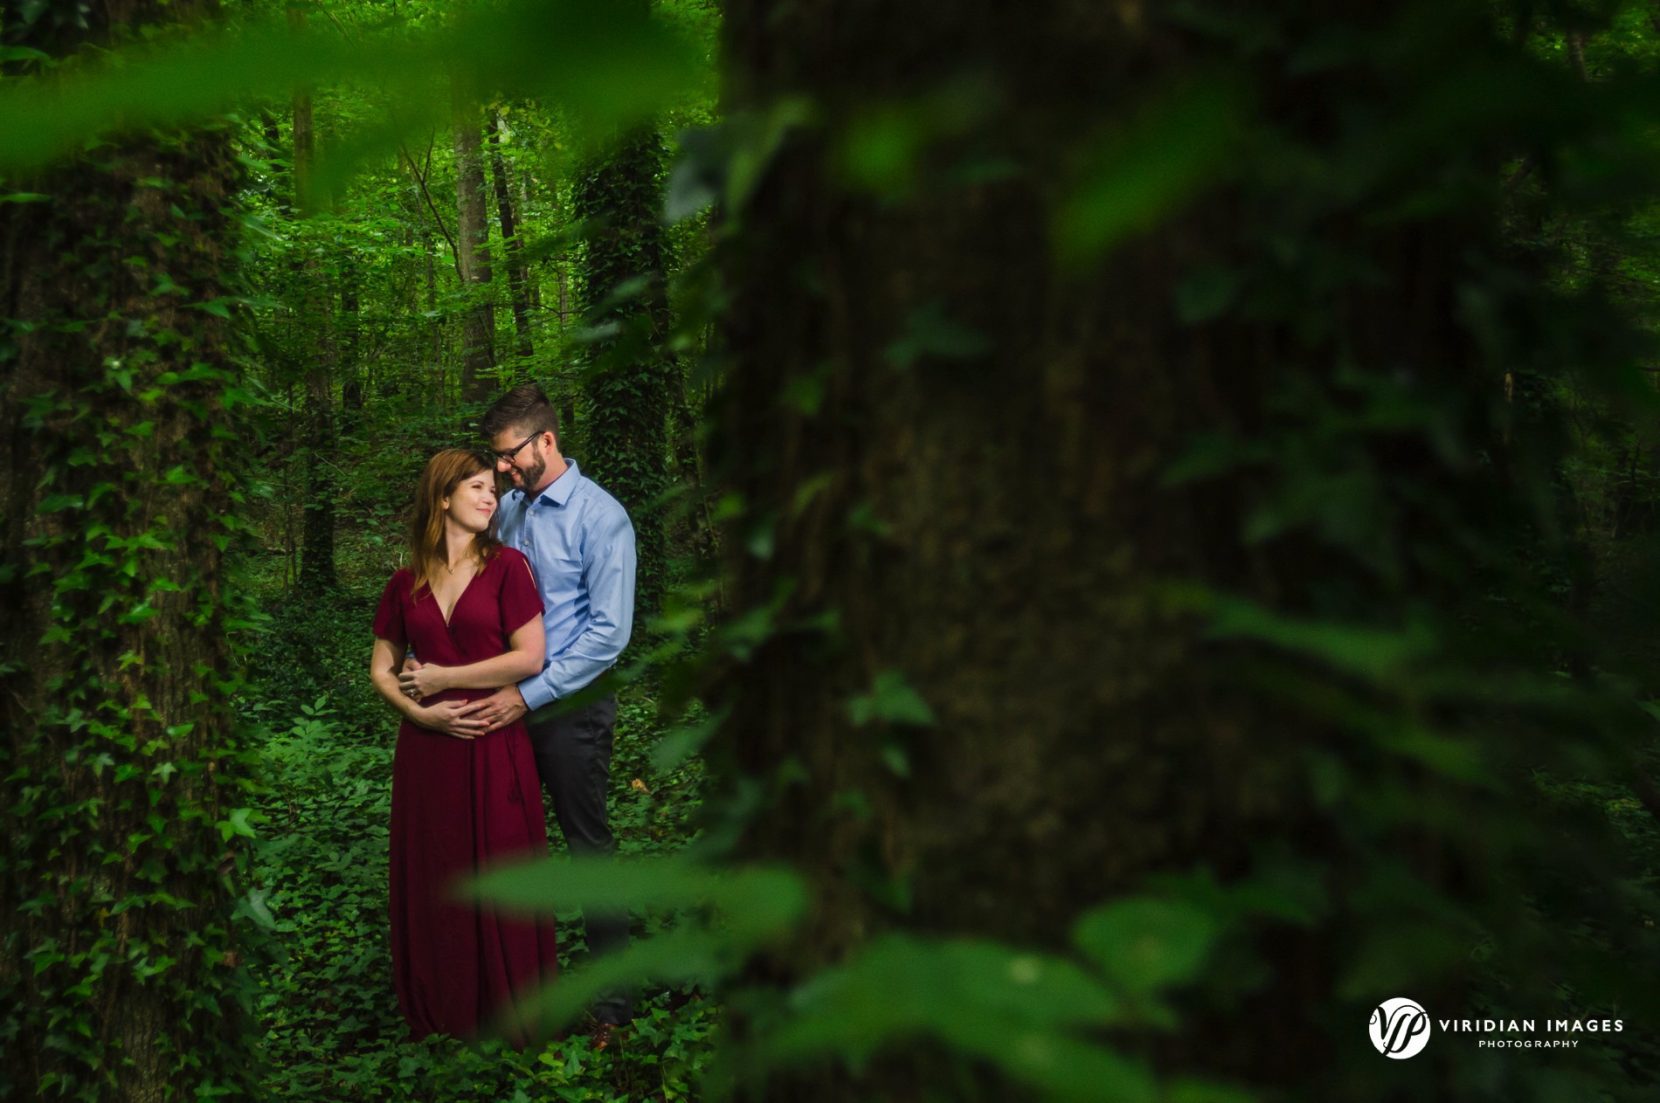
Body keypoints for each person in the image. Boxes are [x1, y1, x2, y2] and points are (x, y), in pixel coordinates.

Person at [462, 383, 637, 1047]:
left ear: (548, 441)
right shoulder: (506, 510)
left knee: (586, 848)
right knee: (507, 843)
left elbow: (607, 634)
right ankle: (513, 990)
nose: (503, 468)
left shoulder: (602, 518)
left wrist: (528, 695)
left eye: (511, 456)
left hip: (570, 710)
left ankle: (614, 1005)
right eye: (498, 458)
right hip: (506, 701)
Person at [367, 448, 559, 1043]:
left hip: (492, 739)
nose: (489, 498)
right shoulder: (406, 582)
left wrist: (443, 679)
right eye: (476, 487)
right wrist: (419, 715)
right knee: (437, 870)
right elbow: (381, 669)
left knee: (502, 866)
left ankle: (509, 1011)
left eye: (492, 491)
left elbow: (531, 657)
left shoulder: (508, 566)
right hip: (427, 751)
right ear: (442, 497)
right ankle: (444, 1006)